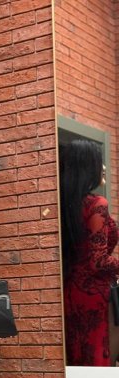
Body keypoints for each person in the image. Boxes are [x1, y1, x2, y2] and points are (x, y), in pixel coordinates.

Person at [60, 139, 119, 366]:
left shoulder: (64, 204)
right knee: (95, 360)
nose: (103, 167)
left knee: (76, 360)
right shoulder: (97, 203)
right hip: (94, 294)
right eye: (99, 161)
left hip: (69, 291)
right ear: (86, 165)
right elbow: (98, 261)